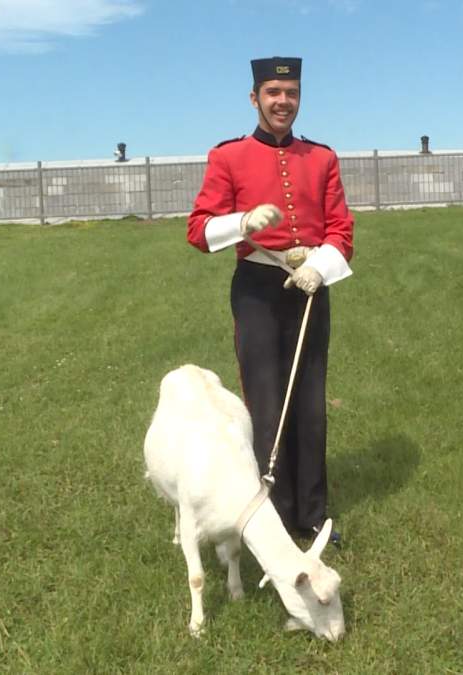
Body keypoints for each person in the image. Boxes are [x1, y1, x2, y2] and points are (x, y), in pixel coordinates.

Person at [186, 56, 354, 545]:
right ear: (255, 97)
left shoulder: (321, 158)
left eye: (292, 93)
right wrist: (242, 223)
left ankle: (314, 513)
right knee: (267, 402)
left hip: (309, 287)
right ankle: (274, 518)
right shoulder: (228, 156)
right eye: (274, 93)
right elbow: (197, 230)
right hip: (258, 291)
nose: (284, 102)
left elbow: (341, 228)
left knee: (310, 403)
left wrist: (318, 269)